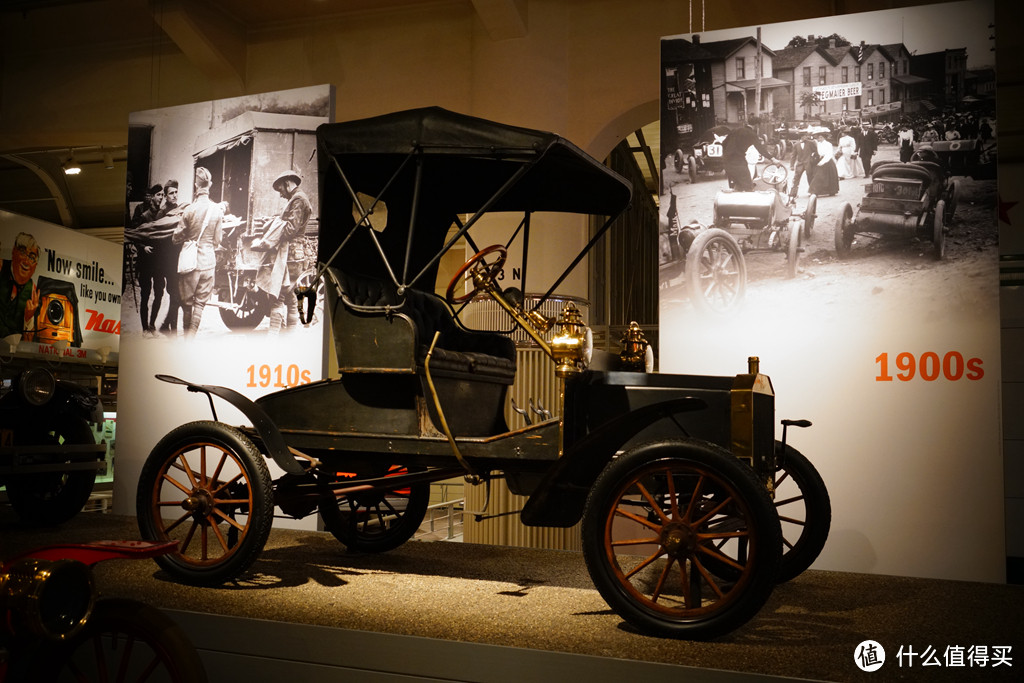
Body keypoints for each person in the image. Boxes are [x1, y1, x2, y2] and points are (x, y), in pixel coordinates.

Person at [252, 170, 312, 334]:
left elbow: (290, 229)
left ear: (287, 184)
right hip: (294, 254)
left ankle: (273, 343)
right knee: (291, 297)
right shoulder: (298, 198)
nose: (280, 195)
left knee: (277, 297)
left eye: (281, 190)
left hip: (289, 254)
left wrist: (274, 229)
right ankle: (290, 339)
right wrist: (275, 221)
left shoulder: (298, 199)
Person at [173, 167, 224, 337]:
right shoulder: (217, 210)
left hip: (191, 263)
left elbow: (176, 237)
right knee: (200, 304)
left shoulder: (189, 209)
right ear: (209, 185)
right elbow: (218, 241)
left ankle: (186, 340)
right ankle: (190, 340)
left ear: (196, 185)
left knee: (187, 304)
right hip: (208, 262)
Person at [0, 233, 41, 341]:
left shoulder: (33, 291)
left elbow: (28, 341)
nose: (26, 262)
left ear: (35, 265)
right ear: (13, 251)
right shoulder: (1, 268)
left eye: (32, 257)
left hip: (11, 354)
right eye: (23, 252)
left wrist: (28, 318)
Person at [722, 123, 779, 192]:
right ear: (756, 126)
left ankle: (736, 198)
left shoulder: (735, 130)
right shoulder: (752, 134)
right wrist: (772, 159)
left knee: (738, 186)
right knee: (748, 186)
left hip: (726, 161)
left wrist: (727, 154)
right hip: (738, 161)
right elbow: (760, 148)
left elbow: (724, 143)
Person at [808, 132, 839, 197]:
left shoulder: (828, 144)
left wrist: (822, 162)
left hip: (827, 161)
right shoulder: (818, 144)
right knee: (818, 176)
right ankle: (815, 191)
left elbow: (829, 154)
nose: (819, 138)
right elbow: (819, 153)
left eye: (821, 137)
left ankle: (831, 191)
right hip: (820, 160)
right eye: (819, 137)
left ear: (824, 137)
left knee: (829, 177)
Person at [787, 133, 816, 203]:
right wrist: (791, 165)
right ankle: (793, 193)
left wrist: (813, 159)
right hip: (800, 164)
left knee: (810, 177)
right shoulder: (796, 145)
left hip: (809, 163)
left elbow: (816, 152)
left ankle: (812, 192)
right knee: (796, 178)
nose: (806, 137)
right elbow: (793, 155)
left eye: (806, 136)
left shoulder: (811, 143)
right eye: (804, 136)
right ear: (801, 137)